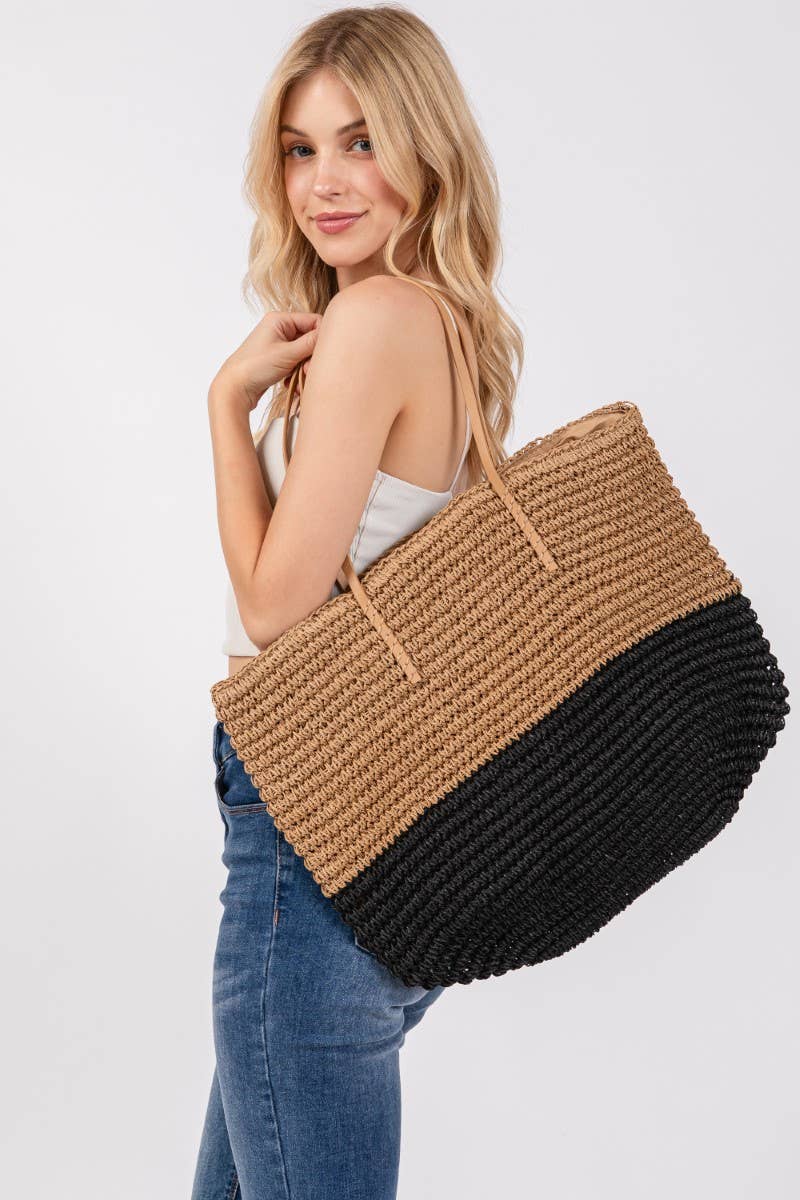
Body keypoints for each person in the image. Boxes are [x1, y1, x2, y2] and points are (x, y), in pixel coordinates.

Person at [192, 7, 524, 1198]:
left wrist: (224, 409)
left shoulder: (377, 321)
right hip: (373, 839)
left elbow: (276, 610)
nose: (324, 182)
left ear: (426, 150)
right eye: (299, 149)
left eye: (362, 141)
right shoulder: (438, 320)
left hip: (308, 839)